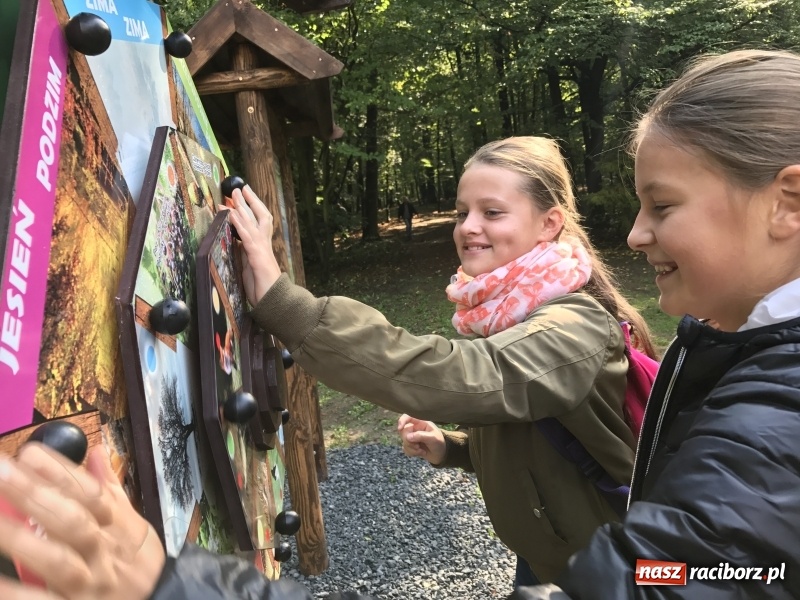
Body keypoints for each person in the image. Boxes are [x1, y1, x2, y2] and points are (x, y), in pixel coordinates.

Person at [227, 136, 656, 586]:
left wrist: (287, 307)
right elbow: (537, 438)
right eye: (461, 212)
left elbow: (466, 375)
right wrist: (453, 447)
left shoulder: (573, 326)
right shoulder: (505, 314)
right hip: (546, 559)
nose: (468, 226)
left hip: (608, 574)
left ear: (549, 223)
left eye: (491, 212)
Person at [509, 49, 800, 598]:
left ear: (788, 203)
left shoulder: (783, 403)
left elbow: (675, 574)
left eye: (662, 206)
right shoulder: (757, 354)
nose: (636, 234)